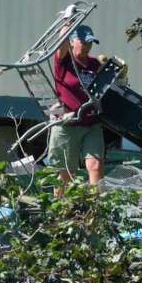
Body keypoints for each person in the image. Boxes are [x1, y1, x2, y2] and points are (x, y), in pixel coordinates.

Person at [48, 23, 106, 188]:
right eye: (83, 42)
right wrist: (68, 21)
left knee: (96, 166)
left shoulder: (95, 65)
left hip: (91, 124)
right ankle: (61, 210)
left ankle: (96, 209)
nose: (87, 46)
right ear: (72, 42)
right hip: (67, 124)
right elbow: (61, 43)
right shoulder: (64, 62)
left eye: (90, 43)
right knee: (66, 174)